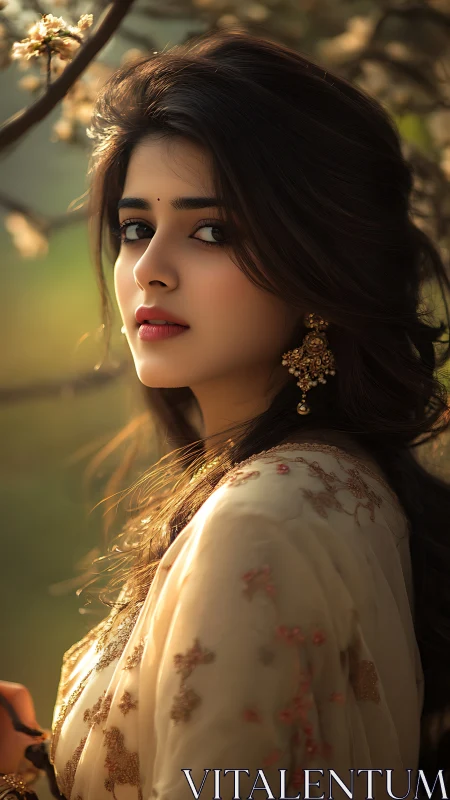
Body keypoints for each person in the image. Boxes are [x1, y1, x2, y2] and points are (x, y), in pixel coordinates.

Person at [2, 28, 450, 800]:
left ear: (317, 262)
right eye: (136, 227)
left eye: (212, 231)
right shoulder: (333, 488)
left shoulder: (262, 518)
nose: (149, 269)